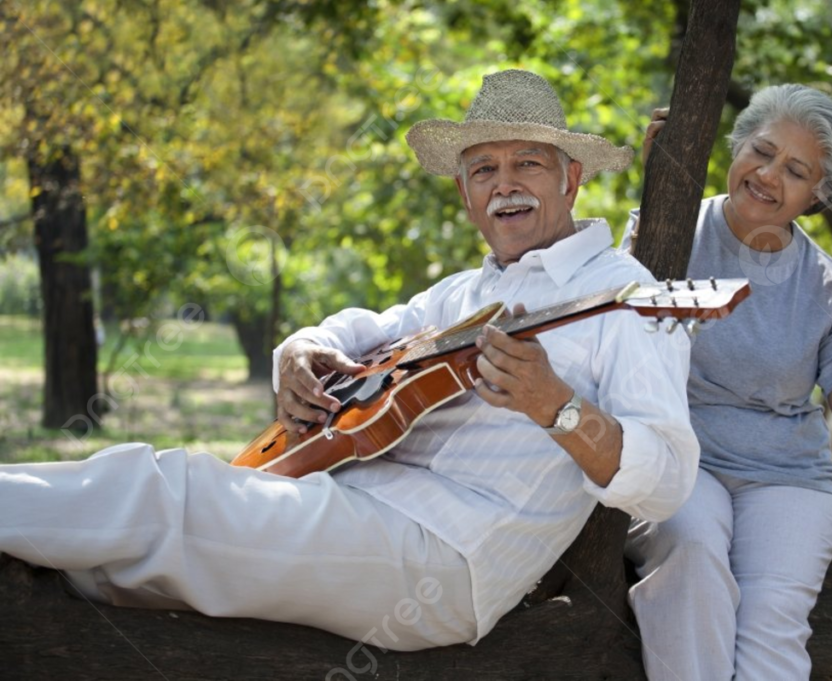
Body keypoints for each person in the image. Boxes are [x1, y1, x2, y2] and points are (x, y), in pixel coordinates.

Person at [0, 69, 700, 652]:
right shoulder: (466, 290)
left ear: (571, 178)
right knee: (133, 551)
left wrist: (559, 408)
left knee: (171, 490)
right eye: (483, 169)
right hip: (359, 501)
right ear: (463, 192)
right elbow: (366, 330)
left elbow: (666, 483)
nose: (503, 185)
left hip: (449, 555)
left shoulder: (628, 300)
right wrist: (299, 348)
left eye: (528, 164)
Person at [622, 84, 832, 680]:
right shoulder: (666, 230)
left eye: (796, 171)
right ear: (736, 146)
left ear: (816, 196)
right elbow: (616, 334)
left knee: (771, 620)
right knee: (693, 553)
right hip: (677, 454)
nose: (769, 175)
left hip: (787, 477)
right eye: (762, 151)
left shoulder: (824, 281)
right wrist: (658, 186)